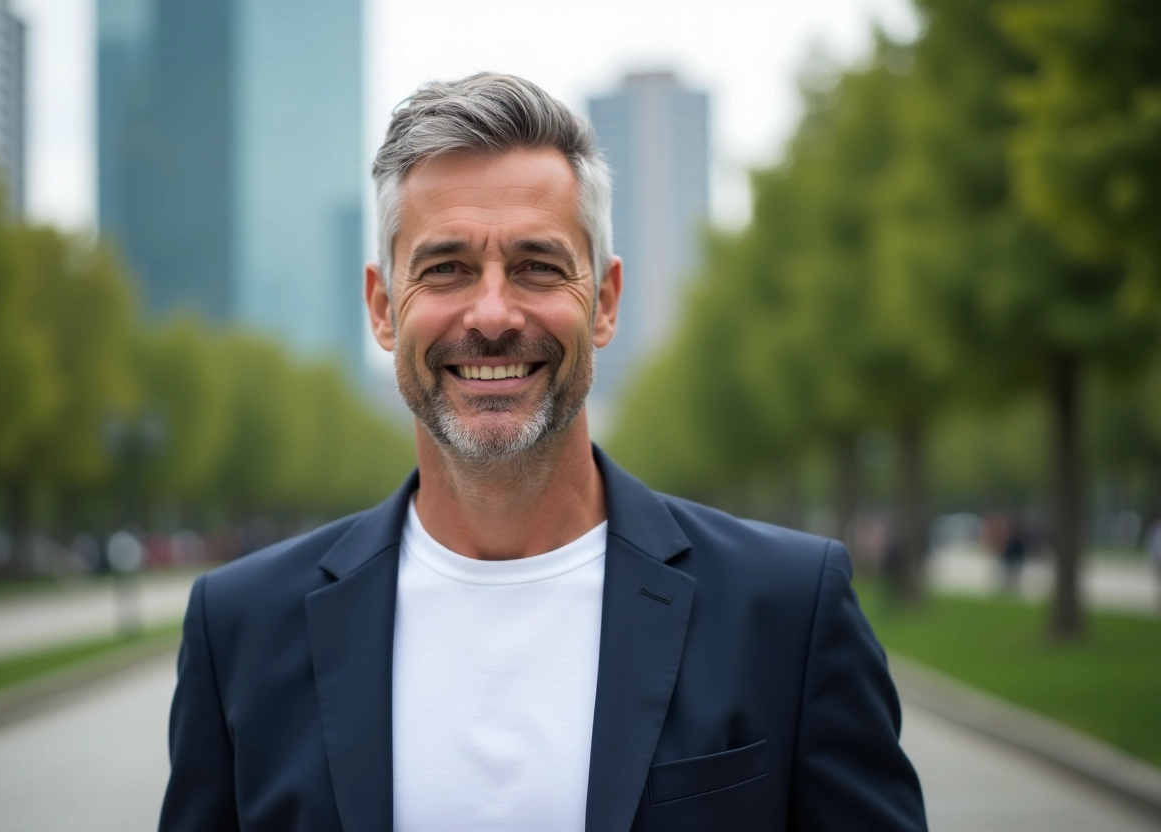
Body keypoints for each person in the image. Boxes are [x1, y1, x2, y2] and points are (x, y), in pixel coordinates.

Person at [159, 73, 928, 832]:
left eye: (537, 266)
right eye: (446, 269)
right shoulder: (240, 631)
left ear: (606, 302)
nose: (492, 314)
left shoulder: (788, 611)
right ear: (383, 307)